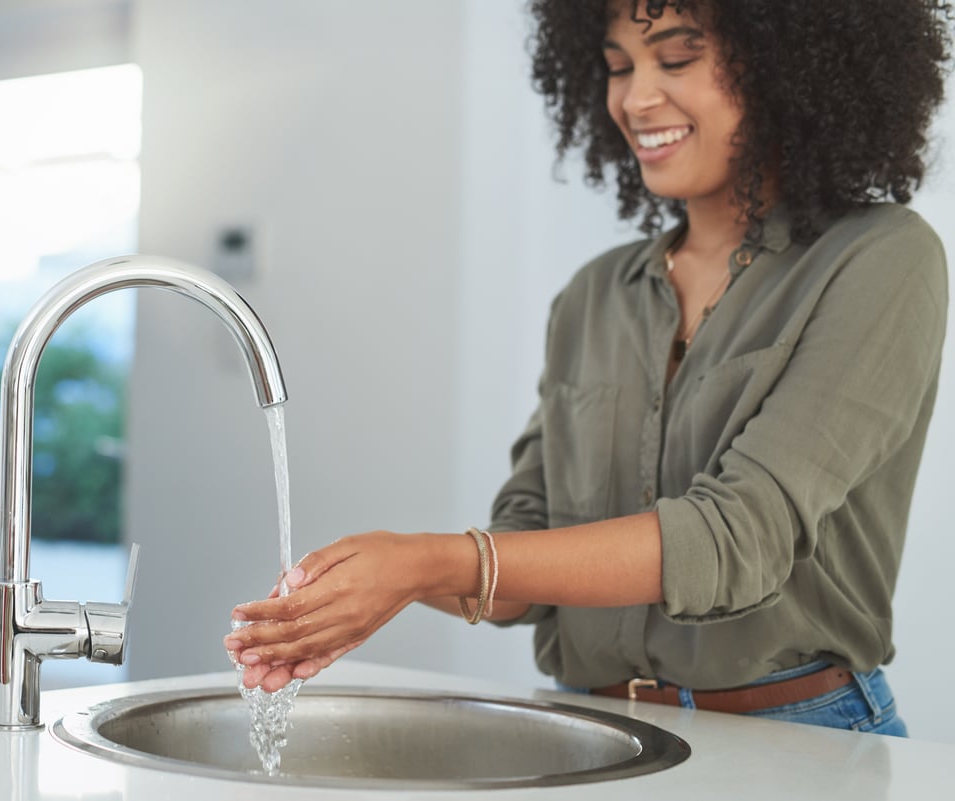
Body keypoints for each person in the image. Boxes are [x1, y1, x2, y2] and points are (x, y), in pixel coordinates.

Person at [223, 0, 952, 735]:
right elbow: (519, 575)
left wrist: (423, 563)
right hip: (597, 729)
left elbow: (734, 539)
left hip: (801, 735)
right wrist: (365, 586)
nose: (635, 98)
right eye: (616, 67)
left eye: (675, 58)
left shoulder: (880, 259)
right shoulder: (593, 295)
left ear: (787, 63)